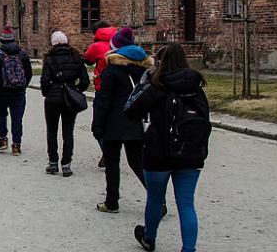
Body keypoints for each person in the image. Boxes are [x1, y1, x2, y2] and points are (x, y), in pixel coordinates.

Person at [125, 43, 210, 252]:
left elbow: (130, 110)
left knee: (155, 198)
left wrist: (144, 82)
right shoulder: (195, 87)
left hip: (158, 152)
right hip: (190, 153)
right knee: (186, 203)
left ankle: (149, 237)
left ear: (159, 62)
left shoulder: (157, 86)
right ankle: (189, 249)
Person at [92, 27, 154, 213]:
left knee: (112, 163)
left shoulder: (112, 70)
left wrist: (97, 125)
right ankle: (157, 200)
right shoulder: (143, 69)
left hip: (113, 122)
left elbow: (104, 100)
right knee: (137, 162)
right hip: (136, 120)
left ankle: (112, 201)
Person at [39, 31, 90, 177]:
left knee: (51, 131)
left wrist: (47, 93)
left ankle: (53, 163)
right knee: (68, 132)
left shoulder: (49, 59)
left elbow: (44, 81)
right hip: (70, 99)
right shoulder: (76, 57)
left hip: (52, 99)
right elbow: (85, 80)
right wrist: (75, 90)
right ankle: (66, 164)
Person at [0, 25, 32, 156]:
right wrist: (23, 86)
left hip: (2, 92)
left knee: (1, 115)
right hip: (19, 92)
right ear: (13, 39)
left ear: (1, 40)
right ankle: (16, 145)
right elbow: (29, 73)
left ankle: (3, 139)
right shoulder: (22, 54)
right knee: (17, 118)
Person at [84, 21, 118, 168]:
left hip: (102, 88)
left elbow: (88, 61)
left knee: (98, 125)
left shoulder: (97, 46)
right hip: (121, 89)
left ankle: (108, 153)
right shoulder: (118, 43)